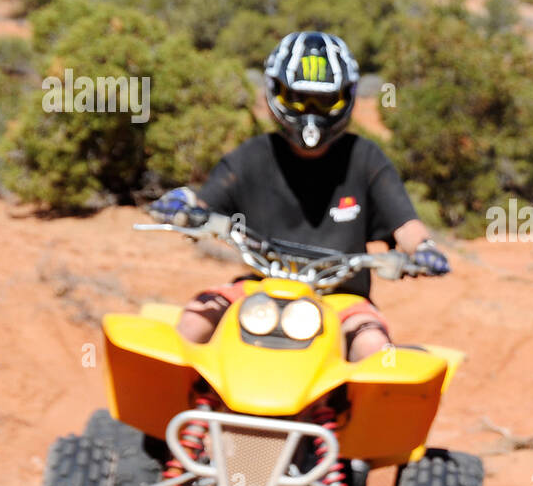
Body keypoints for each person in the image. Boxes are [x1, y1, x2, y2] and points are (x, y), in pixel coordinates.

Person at [148, 29, 450, 359]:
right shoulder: (253, 156)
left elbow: (404, 224)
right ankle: (183, 411)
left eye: (324, 101)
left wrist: (423, 249)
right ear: (276, 92)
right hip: (260, 289)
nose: (310, 112)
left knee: (372, 346)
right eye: (298, 98)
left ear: (346, 97)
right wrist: (182, 206)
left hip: (342, 299)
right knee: (194, 319)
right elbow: (204, 204)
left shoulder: (364, 158)